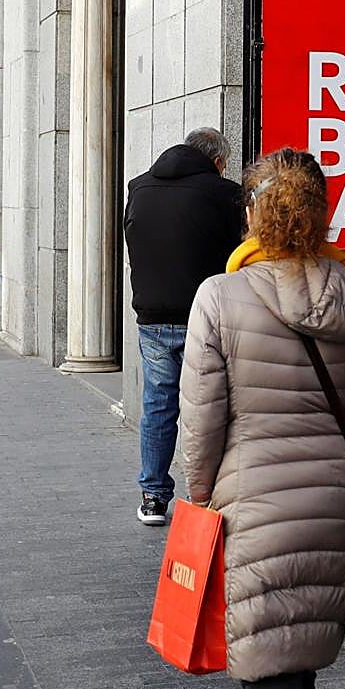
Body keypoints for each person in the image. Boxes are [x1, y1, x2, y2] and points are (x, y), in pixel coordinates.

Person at [179, 149, 345, 689]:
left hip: (249, 503)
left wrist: (201, 495)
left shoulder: (219, 296)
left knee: (270, 669)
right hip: (334, 501)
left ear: (254, 216)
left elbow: (201, 421)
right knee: (297, 655)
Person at [124, 127, 242, 526]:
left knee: (158, 406)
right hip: (206, 317)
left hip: (153, 318)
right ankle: (207, 496)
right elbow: (236, 256)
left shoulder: (138, 188)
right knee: (211, 407)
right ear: (217, 161)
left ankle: (154, 497)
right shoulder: (225, 193)